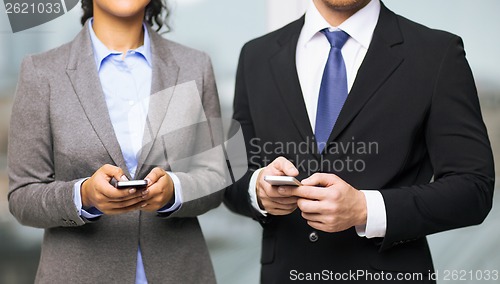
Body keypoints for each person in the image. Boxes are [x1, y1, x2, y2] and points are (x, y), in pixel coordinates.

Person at [224, 0, 495, 283]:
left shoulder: (436, 53)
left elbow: (474, 188)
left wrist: (366, 209)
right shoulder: (255, 55)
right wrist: (259, 190)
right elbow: (231, 177)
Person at [8, 0, 226, 283]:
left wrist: (175, 191)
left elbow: (215, 178)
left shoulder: (194, 66)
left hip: (180, 271)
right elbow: (23, 196)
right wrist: (83, 195)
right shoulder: (42, 72)